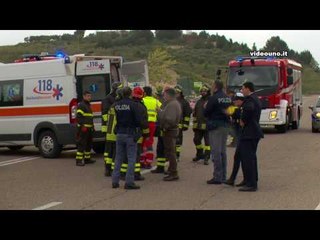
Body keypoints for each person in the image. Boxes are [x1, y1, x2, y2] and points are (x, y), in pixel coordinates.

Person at [111, 87, 142, 190]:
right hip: (130, 133)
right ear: (130, 94)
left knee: (118, 158)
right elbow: (138, 120)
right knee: (131, 159)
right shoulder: (133, 104)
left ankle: (115, 181)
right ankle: (129, 182)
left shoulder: (117, 105)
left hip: (119, 133)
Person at [204, 80, 232, 184]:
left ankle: (217, 176)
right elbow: (230, 111)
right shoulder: (227, 98)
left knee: (216, 152)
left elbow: (206, 112)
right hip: (225, 125)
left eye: (212, 86)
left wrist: (205, 108)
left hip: (215, 126)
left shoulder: (213, 98)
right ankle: (223, 175)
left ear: (215, 87)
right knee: (222, 151)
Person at [237, 82, 264, 192]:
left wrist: (243, 120)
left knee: (248, 158)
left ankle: (251, 184)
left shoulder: (250, 100)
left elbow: (249, 110)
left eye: (243, 89)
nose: (242, 91)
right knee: (248, 158)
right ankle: (248, 179)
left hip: (250, 132)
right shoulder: (254, 98)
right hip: (252, 132)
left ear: (248, 89)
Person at [120, 86, 149, 181]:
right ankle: (136, 174)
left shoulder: (128, 104)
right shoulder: (141, 107)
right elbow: (144, 122)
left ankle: (123, 173)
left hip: (125, 132)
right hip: (137, 134)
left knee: (125, 154)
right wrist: (146, 134)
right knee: (136, 154)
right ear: (142, 95)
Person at [158, 87, 182, 181]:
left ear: (168, 95)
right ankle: (171, 170)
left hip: (169, 131)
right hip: (171, 130)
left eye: (164, 94)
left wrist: (160, 113)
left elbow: (170, 119)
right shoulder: (173, 104)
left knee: (171, 152)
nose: (163, 96)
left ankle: (173, 172)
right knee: (170, 151)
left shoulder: (172, 105)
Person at [101, 82, 123, 176]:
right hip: (109, 126)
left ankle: (111, 168)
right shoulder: (108, 99)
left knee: (113, 149)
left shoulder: (115, 99)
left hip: (112, 126)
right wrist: (108, 126)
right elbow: (105, 114)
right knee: (109, 150)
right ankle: (108, 168)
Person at [224, 92, 245, 186]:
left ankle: (234, 178)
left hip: (242, 135)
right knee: (238, 158)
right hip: (238, 134)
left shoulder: (240, 109)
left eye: (236, 99)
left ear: (241, 100)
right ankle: (233, 178)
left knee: (240, 158)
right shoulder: (238, 108)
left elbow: (232, 112)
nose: (235, 101)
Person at [140, 86, 162, 168]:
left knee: (142, 142)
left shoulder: (142, 100)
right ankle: (148, 161)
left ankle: (142, 161)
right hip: (153, 124)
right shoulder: (156, 101)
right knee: (149, 142)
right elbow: (160, 111)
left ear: (144, 93)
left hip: (143, 124)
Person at [75, 90, 96, 166]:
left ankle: (87, 159)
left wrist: (93, 126)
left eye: (90, 96)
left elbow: (90, 117)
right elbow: (79, 117)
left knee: (89, 144)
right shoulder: (81, 105)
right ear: (84, 96)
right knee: (82, 144)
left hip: (89, 129)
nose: (89, 97)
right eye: (88, 96)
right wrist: (83, 126)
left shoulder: (88, 105)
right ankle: (79, 160)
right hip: (83, 129)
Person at [192, 84, 211, 165]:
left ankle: (206, 157)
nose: (203, 92)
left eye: (204, 91)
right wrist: (194, 124)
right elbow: (195, 113)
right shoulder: (199, 101)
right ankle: (200, 154)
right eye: (201, 91)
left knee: (208, 143)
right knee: (196, 140)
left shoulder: (211, 101)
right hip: (198, 125)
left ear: (208, 91)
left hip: (207, 126)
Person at [174, 85, 192, 161]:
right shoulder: (170, 101)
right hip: (170, 124)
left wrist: (185, 124)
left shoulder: (184, 102)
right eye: (175, 92)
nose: (176, 94)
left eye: (177, 92)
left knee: (178, 141)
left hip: (179, 125)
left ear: (181, 93)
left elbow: (187, 114)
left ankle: (177, 155)